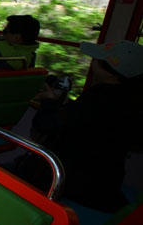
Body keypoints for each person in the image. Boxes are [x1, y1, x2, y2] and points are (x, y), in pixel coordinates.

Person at [28, 40, 143, 212]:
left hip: (73, 182)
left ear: (111, 73)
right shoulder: (133, 100)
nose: (92, 63)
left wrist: (49, 102)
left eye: (97, 60)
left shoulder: (98, 97)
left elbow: (45, 125)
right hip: (107, 182)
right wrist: (66, 104)